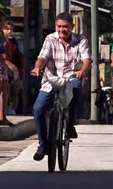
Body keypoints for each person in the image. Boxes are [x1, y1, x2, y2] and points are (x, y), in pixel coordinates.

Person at [31, 12, 92, 161]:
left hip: (71, 78)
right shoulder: (50, 39)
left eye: (65, 27)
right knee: (38, 109)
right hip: (51, 80)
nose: (62, 30)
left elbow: (87, 60)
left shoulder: (81, 40)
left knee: (76, 89)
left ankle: (70, 124)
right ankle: (43, 144)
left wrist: (83, 71)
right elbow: (42, 57)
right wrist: (38, 67)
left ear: (72, 26)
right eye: (59, 26)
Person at [2, 20, 22, 115]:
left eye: (11, 29)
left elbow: (18, 57)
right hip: (2, 70)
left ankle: (13, 110)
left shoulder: (13, 42)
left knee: (15, 92)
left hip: (14, 70)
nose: (9, 31)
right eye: (7, 29)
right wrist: (8, 64)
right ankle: (2, 110)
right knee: (4, 92)